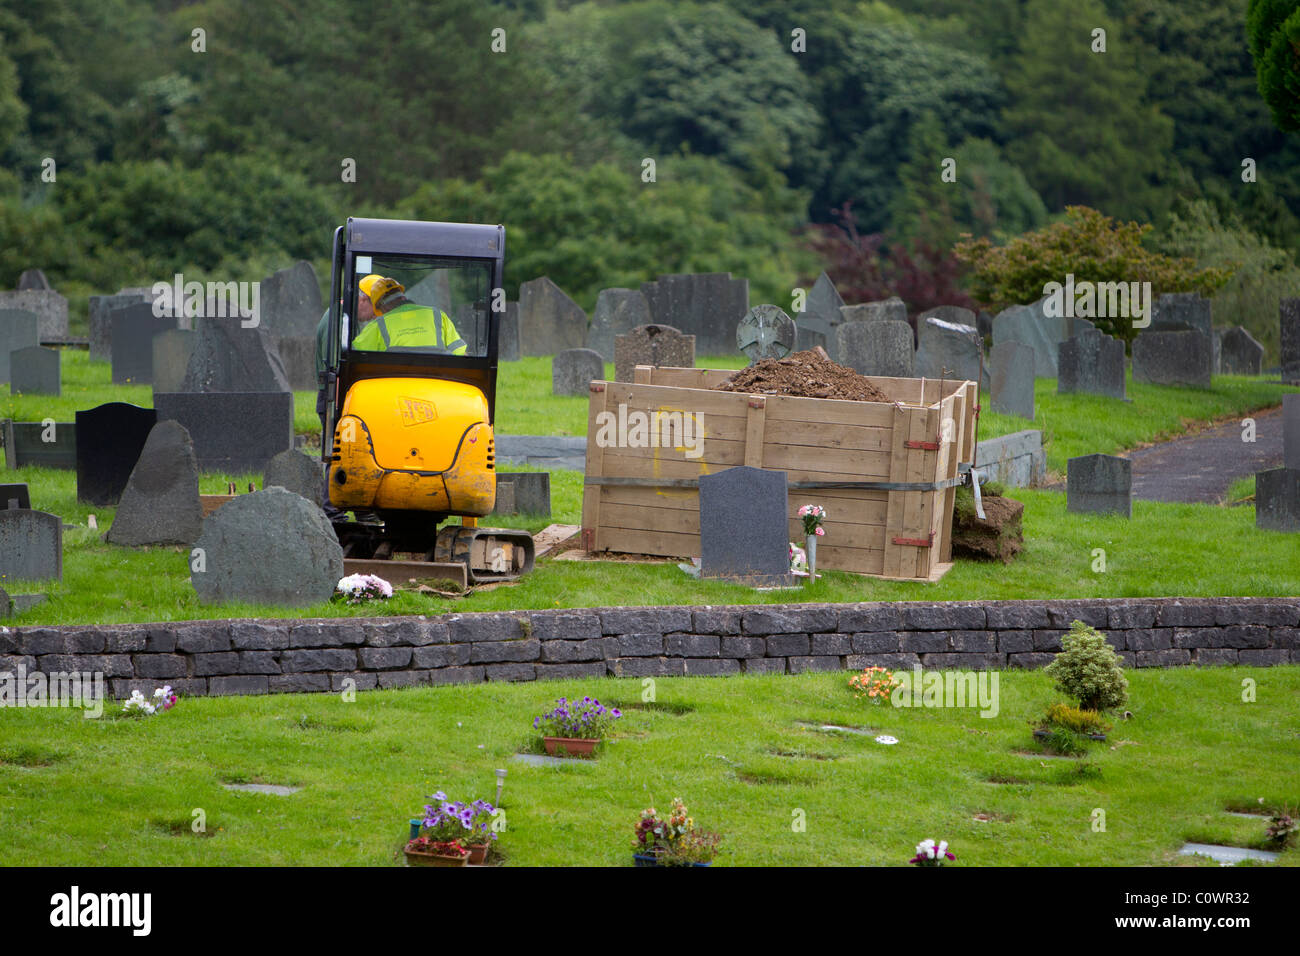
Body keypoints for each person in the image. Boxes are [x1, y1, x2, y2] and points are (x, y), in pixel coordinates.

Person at [351, 274, 467, 355]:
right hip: (435, 386)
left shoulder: (378, 325)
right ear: (402, 296)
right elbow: (461, 354)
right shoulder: (437, 315)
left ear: (382, 306)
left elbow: (353, 355)